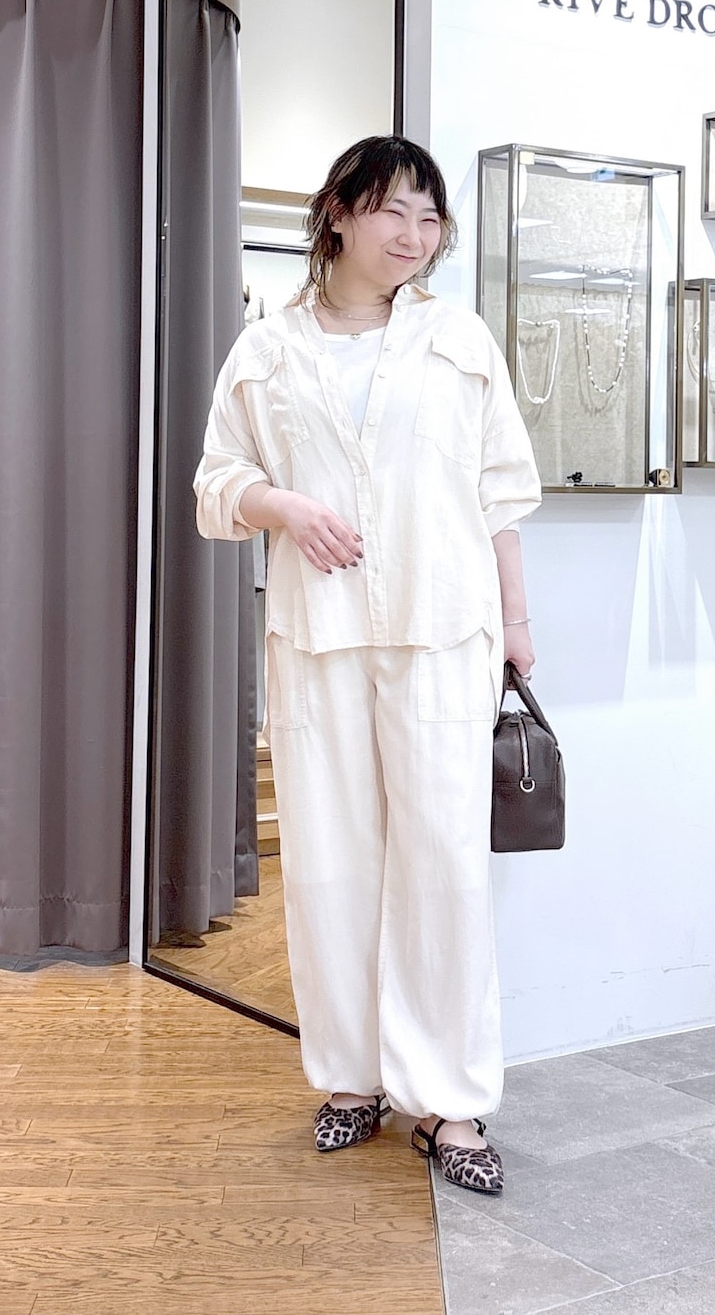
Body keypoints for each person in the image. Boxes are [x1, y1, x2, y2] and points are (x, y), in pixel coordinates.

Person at [194, 136, 541, 1195]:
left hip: (444, 633)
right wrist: (284, 507)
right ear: (338, 213)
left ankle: (450, 1100)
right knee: (332, 864)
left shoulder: (459, 341)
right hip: (320, 637)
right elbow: (215, 482)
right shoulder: (266, 352)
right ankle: (351, 1077)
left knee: (443, 866)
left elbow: (499, 492)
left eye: (430, 218)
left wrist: (517, 621)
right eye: (394, 210)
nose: (414, 235)